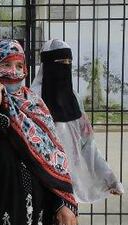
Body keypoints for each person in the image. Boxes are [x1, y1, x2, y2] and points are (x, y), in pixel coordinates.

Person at [0, 39, 78, 225]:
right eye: (5, 64)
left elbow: (54, 160)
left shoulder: (35, 105)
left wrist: (63, 203)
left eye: (19, 65)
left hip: (38, 212)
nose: (13, 71)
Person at [31, 39, 124, 203]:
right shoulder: (32, 99)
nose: (64, 67)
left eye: (68, 62)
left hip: (69, 186)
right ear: (47, 65)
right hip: (41, 182)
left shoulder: (73, 98)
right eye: (60, 62)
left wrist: (110, 179)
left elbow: (88, 145)